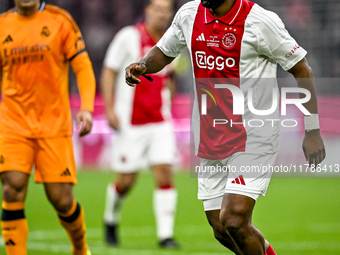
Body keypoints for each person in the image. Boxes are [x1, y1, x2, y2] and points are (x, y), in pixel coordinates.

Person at [125, 0, 326, 254]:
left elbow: (302, 68)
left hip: (253, 135)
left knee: (234, 218)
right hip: (210, 136)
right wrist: (143, 65)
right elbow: (164, 51)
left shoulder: (260, 21)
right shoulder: (189, 14)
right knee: (221, 228)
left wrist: (312, 129)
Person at [0, 1, 95, 254]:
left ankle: (80, 248)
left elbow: (82, 66)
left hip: (53, 125)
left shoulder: (60, 21)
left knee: (62, 200)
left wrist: (86, 107)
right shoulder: (3, 26)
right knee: (11, 187)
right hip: (13, 124)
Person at [101, 0, 179, 249]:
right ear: (147, 11)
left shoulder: (172, 41)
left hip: (160, 122)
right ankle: (110, 217)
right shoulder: (128, 37)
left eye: (166, 11)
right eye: (157, 9)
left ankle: (165, 235)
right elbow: (109, 70)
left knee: (164, 172)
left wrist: (170, 98)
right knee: (126, 180)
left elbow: (171, 76)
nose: (161, 15)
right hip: (131, 123)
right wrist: (110, 109)